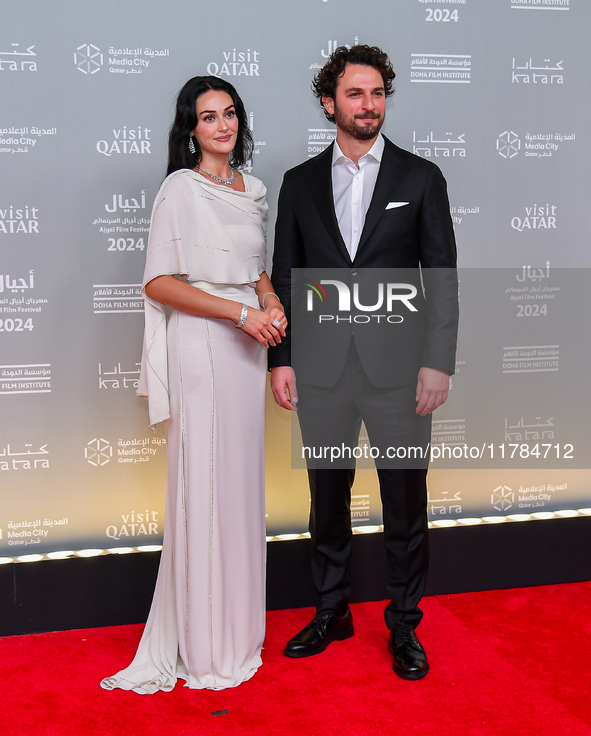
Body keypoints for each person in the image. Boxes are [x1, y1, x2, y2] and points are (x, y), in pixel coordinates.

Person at [269, 45, 458, 680]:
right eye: (355, 94)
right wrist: (282, 359)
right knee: (327, 496)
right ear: (330, 103)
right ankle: (332, 610)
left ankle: (404, 624)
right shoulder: (299, 183)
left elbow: (443, 280)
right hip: (322, 371)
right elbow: (285, 279)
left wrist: (438, 363)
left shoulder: (420, 177)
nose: (368, 105)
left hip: (400, 373)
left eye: (377, 94)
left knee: (405, 501)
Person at [101, 76, 286, 694]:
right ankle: (206, 646)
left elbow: (254, 267)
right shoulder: (179, 190)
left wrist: (267, 298)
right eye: (208, 117)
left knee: (237, 483)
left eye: (229, 113)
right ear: (190, 130)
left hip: (248, 346)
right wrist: (239, 312)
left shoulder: (252, 190)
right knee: (204, 483)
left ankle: (237, 632)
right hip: (205, 345)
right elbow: (158, 284)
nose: (222, 126)